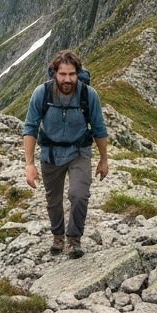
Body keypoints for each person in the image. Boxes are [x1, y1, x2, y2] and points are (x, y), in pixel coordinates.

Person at [23, 49, 109, 258]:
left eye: (72, 74)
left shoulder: (89, 95)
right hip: (50, 154)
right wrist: (29, 164)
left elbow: (99, 129)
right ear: (54, 73)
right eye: (62, 74)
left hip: (79, 151)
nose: (67, 79)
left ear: (78, 73)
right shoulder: (41, 94)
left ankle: (74, 239)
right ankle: (58, 236)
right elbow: (30, 128)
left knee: (79, 195)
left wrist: (104, 160)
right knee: (53, 200)